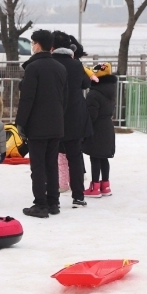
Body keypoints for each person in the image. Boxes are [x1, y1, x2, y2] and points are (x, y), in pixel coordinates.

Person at [16, 29, 68, 219]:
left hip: (37, 125)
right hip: (56, 124)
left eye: (32, 43)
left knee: (37, 167)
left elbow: (27, 99)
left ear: (37, 45)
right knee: (51, 164)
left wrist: (20, 123)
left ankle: (40, 204)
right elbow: (65, 98)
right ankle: (53, 202)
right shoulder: (60, 67)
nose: (32, 46)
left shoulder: (33, 68)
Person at [50, 31, 91, 207]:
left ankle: (52, 196)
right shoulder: (76, 65)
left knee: (51, 156)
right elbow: (86, 84)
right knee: (75, 157)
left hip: (53, 116)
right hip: (75, 115)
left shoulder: (49, 64)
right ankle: (78, 196)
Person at [82, 62, 117, 198]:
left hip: (96, 128)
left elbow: (92, 115)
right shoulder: (111, 92)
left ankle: (95, 186)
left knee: (95, 157)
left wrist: (84, 126)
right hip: (108, 127)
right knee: (104, 158)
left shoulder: (94, 94)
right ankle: (105, 185)